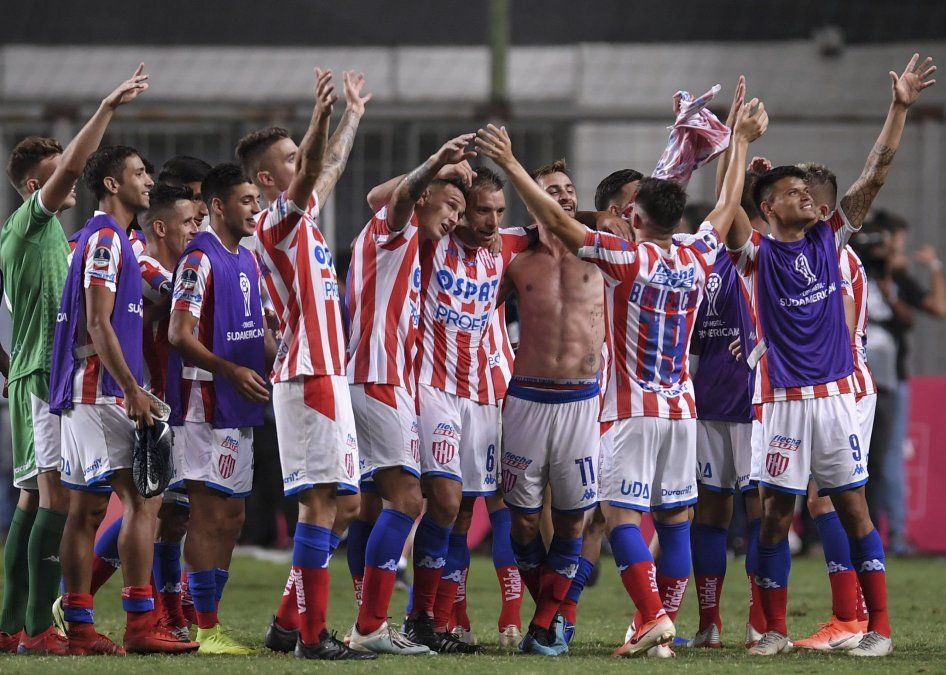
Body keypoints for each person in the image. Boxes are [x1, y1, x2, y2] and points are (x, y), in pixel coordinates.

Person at [476, 92, 768, 657]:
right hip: (681, 408)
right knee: (677, 518)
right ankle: (653, 629)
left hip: (627, 409)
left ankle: (652, 616)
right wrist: (742, 142)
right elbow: (727, 203)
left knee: (617, 517)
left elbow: (562, 223)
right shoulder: (698, 252)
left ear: (632, 218)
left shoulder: (626, 258)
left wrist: (512, 164)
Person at [734, 54, 935, 658]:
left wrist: (898, 108)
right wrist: (738, 147)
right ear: (769, 209)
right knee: (773, 518)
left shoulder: (831, 239)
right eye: (795, 192)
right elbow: (727, 216)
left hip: (835, 400)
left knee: (853, 508)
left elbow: (874, 174)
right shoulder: (755, 257)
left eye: (811, 193)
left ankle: (878, 630)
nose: (811, 199)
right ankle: (769, 630)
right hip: (782, 403)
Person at [0, 65, 153, 655]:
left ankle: (15, 622)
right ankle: (40, 627)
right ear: (31, 187)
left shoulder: (51, 241)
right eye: (54, 177)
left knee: (34, 500)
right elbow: (73, 169)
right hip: (43, 378)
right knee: (59, 502)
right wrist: (108, 108)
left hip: (33, 373)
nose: (66, 185)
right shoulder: (30, 224)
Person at [241, 69, 374, 661]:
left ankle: (286, 624)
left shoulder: (304, 219)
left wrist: (351, 115)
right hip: (308, 373)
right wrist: (319, 120)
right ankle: (314, 639)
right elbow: (318, 165)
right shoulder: (275, 221)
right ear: (269, 179)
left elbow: (333, 163)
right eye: (293, 158)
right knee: (320, 504)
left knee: (346, 505)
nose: (309, 162)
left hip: (325, 373)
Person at [49, 140, 200, 655]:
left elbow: (150, 299)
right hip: (102, 389)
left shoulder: (110, 241)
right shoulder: (108, 242)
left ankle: (82, 629)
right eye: (139, 173)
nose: (148, 181)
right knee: (144, 501)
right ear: (112, 184)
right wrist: (133, 390)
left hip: (84, 389)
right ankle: (141, 622)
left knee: (86, 511)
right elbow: (96, 321)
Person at [395, 164, 535, 655]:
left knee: (463, 511)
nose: (492, 222)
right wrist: (439, 167)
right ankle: (418, 616)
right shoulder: (435, 242)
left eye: (499, 212)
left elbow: (562, 223)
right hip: (432, 388)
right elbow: (386, 202)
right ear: (458, 210)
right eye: (481, 210)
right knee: (446, 503)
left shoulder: (509, 246)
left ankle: (440, 622)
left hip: (481, 394)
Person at [344, 135, 475, 655]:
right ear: (421, 197)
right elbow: (391, 198)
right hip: (377, 376)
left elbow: (379, 194)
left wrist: (445, 179)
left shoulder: (411, 243)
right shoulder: (393, 232)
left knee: (370, 504)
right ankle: (371, 627)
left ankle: (360, 621)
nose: (455, 220)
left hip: (382, 377)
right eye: (450, 207)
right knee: (408, 499)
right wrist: (438, 163)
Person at [495, 158, 610, 656]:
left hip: (583, 401)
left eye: (568, 189)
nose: (563, 196)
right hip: (526, 398)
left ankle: (545, 623)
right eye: (551, 190)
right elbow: (475, 313)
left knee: (574, 521)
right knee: (522, 522)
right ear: (531, 197)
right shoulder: (513, 255)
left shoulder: (603, 250)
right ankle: (554, 611)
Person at [165, 163, 274, 654]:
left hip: (240, 404)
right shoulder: (198, 259)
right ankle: (206, 628)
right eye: (246, 201)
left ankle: (200, 615)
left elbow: (261, 336)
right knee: (207, 516)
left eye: (256, 200)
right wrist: (229, 371)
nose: (256, 208)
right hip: (201, 403)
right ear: (218, 206)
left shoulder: (247, 259)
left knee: (233, 518)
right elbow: (178, 335)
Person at [782, 162, 878, 651]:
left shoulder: (831, 257)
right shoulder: (820, 251)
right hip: (837, 388)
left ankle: (852, 617)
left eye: (799, 193)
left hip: (843, 387)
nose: (791, 199)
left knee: (830, 501)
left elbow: (835, 330)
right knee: (829, 501)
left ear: (818, 209)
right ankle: (854, 615)